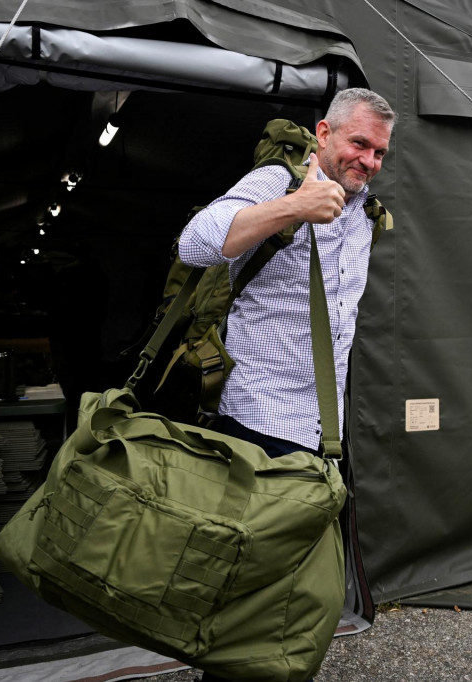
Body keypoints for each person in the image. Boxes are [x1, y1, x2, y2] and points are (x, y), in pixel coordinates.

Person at [177, 88, 395, 682]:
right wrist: (295, 205)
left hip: (320, 435)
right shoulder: (278, 180)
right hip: (255, 424)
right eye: (358, 143)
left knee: (289, 591)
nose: (368, 161)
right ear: (324, 133)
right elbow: (196, 241)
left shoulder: (364, 209)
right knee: (243, 582)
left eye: (379, 152)